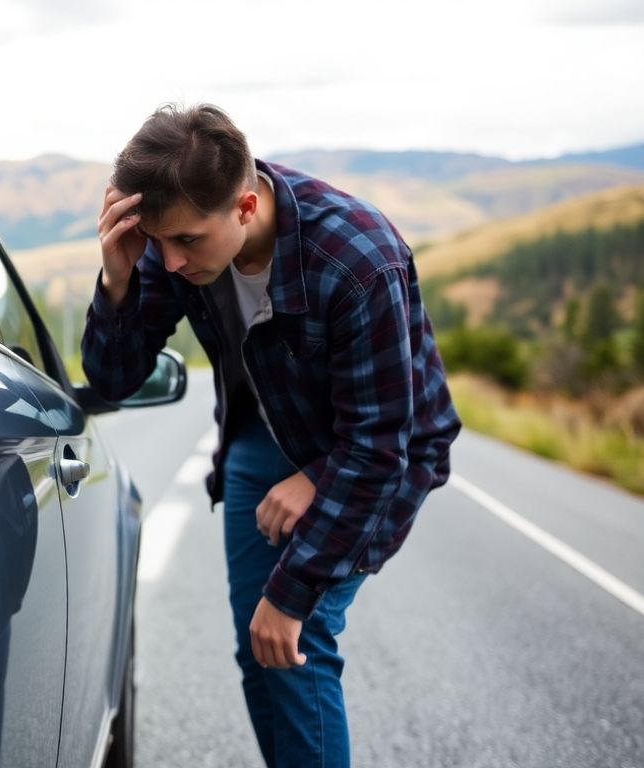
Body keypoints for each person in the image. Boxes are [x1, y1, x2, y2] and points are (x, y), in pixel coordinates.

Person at [81, 104, 461, 768]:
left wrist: (292, 587)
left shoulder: (357, 260)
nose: (168, 263)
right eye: (157, 242)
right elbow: (113, 378)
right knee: (258, 651)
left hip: (378, 453)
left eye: (188, 242)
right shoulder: (179, 240)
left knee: (296, 633)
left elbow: (380, 445)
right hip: (264, 437)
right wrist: (117, 278)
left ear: (246, 207)